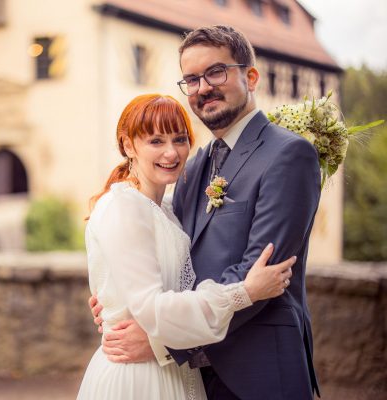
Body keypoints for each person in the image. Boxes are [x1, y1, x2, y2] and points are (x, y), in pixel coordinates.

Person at [90, 26, 321, 400]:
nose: (203, 87)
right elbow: (174, 256)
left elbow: (262, 273)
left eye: (216, 72)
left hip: (259, 372)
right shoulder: (194, 167)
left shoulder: (288, 155)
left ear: (250, 76)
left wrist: (165, 343)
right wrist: (119, 295)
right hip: (196, 379)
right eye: (192, 79)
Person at [77, 93, 295, 400]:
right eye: (156, 141)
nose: (171, 152)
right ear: (128, 146)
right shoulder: (123, 207)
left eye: (179, 139)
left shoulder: (167, 208)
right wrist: (245, 292)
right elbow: (152, 307)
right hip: (137, 377)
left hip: (175, 372)